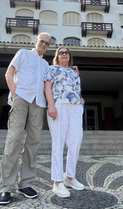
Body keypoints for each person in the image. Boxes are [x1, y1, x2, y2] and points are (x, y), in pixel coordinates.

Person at [0, 32, 52, 205]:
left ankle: (26, 183)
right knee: (14, 140)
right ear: (36, 41)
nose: (43, 45)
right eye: (41, 41)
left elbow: (48, 83)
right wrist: (14, 93)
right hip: (21, 97)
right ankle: (6, 187)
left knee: (34, 142)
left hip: (38, 102)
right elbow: (9, 73)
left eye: (47, 43)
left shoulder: (45, 64)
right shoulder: (23, 53)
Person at [44, 46, 85, 198]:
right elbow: (47, 87)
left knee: (75, 142)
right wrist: (51, 105)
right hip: (59, 106)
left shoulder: (75, 72)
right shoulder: (52, 69)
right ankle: (57, 181)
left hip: (75, 108)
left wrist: (81, 100)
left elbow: (76, 88)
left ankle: (69, 176)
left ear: (69, 56)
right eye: (61, 52)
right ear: (57, 56)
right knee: (58, 143)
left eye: (66, 52)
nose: (64, 54)